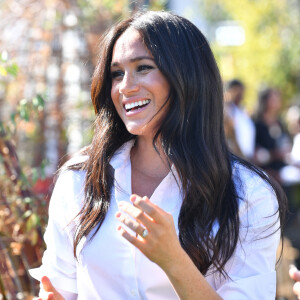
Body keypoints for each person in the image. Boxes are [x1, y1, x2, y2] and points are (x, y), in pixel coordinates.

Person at [30, 11, 287, 299]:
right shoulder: (79, 180)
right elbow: (59, 286)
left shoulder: (248, 194)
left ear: (187, 76)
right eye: (116, 73)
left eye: (143, 67)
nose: (125, 86)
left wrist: (174, 260)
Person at [254, 88, 292, 183]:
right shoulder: (257, 124)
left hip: (282, 174)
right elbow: (255, 154)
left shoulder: (280, 123)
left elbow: (285, 143)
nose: (277, 101)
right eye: (273, 99)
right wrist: (274, 154)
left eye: (278, 98)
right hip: (265, 176)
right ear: (265, 101)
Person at [224, 79, 256, 161]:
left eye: (241, 92)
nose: (240, 95)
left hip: (246, 159)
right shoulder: (225, 112)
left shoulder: (242, 113)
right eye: (236, 91)